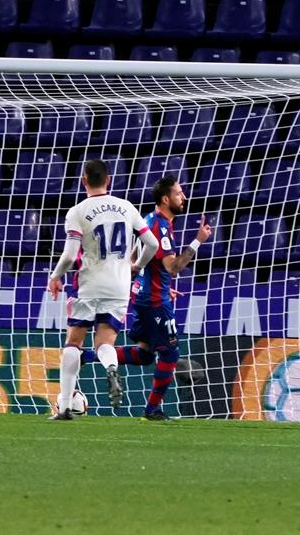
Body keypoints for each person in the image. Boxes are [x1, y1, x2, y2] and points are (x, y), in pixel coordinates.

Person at [47, 159, 158, 421]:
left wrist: (55, 276)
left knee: (73, 343)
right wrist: (136, 266)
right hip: (119, 286)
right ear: (108, 180)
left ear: (84, 180)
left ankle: (64, 407)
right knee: (105, 343)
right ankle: (110, 367)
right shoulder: (126, 207)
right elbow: (151, 244)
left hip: (89, 285)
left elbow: (70, 254)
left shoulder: (78, 211)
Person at [119, 176, 212, 421]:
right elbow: (173, 267)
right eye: (179, 193)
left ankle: (87, 356)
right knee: (170, 355)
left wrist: (151, 282)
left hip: (145, 295)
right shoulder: (159, 226)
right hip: (155, 302)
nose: (184, 198)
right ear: (165, 198)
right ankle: (152, 410)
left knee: (146, 354)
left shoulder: (149, 221)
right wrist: (198, 241)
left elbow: (133, 262)